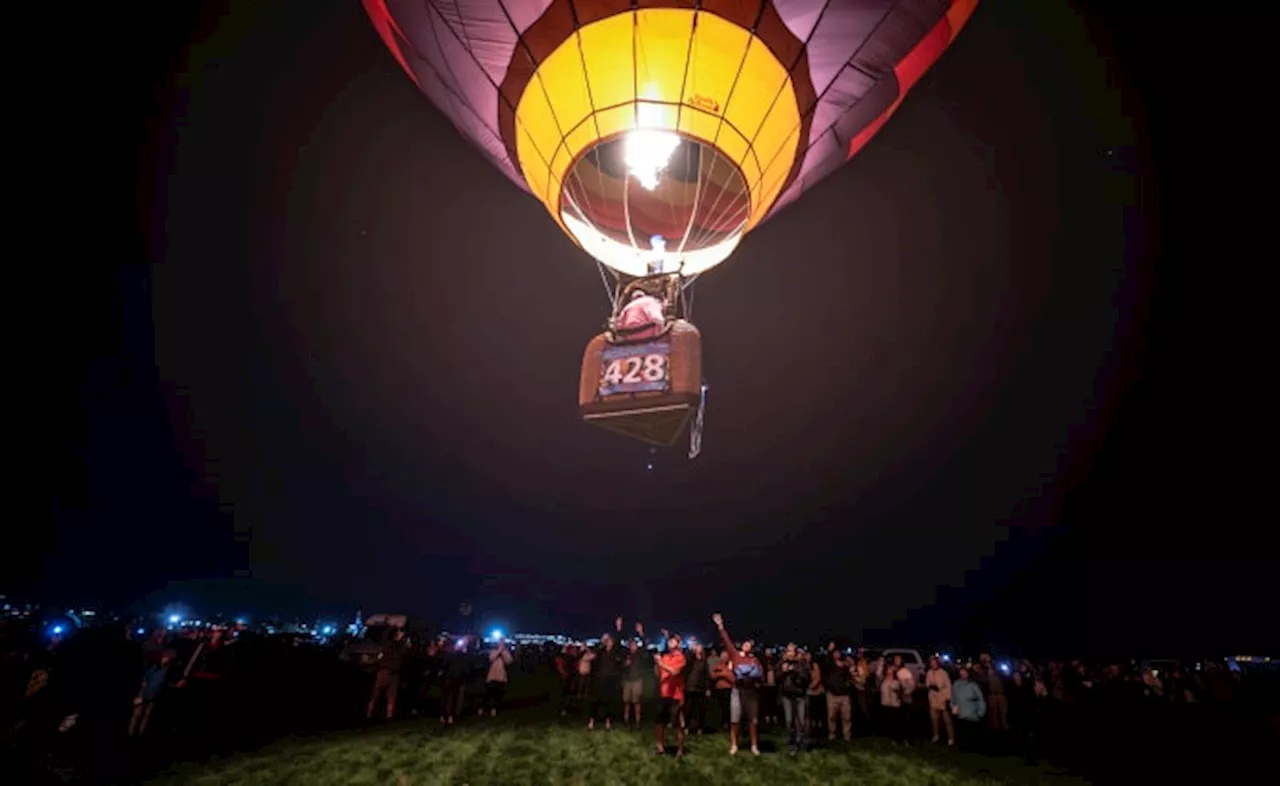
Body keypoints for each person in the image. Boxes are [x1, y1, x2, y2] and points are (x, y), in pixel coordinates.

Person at [711, 613, 762, 756]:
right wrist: (720, 626)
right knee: (735, 719)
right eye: (745, 643)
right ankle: (734, 745)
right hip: (737, 691)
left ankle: (754, 745)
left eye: (749, 645)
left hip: (751, 692)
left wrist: (753, 674)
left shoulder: (754, 660)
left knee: (753, 720)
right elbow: (726, 641)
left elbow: (760, 675)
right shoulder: (735, 656)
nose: (747, 646)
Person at [653, 631, 687, 757]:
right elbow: (659, 674)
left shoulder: (681, 658)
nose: (669, 642)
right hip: (664, 694)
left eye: (672, 641)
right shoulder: (666, 657)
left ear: (678, 644)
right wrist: (657, 664)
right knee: (659, 722)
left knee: (678, 724)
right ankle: (660, 746)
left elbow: (675, 672)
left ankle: (680, 749)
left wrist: (661, 663)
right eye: (669, 641)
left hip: (676, 696)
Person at [589, 622, 626, 730]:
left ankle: (607, 721)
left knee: (609, 701)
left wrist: (619, 628)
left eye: (610, 640)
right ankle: (591, 721)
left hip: (611, 679)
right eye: (607, 641)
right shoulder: (600, 651)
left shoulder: (615, 651)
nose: (609, 642)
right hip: (599, 679)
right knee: (596, 700)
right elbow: (594, 654)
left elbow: (619, 640)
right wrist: (602, 642)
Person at [368, 628, 407, 720]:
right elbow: (384, 637)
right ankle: (369, 713)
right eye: (401, 633)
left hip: (395, 672)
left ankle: (389, 715)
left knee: (392, 694)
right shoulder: (388, 643)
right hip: (384, 671)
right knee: (376, 693)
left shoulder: (401, 646)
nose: (402, 635)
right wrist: (392, 627)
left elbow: (404, 654)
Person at [778, 643, 809, 755]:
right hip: (787, 696)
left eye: (792, 651)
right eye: (788, 651)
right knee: (789, 721)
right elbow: (777, 677)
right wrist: (783, 671)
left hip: (799, 696)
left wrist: (795, 671)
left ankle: (801, 743)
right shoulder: (782, 663)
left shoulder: (801, 663)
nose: (790, 653)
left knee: (801, 721)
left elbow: (806, 678)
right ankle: (792, 744)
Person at [952, 666, 987, 751]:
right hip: (961, 712)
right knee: (962, 731)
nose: (962, 674)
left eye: (964, 672)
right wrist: (953, 707)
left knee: (971, 731)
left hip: (972, 713)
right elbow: (953, 698)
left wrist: (981, 712)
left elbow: (980, 699)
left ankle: (973, 747)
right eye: (961, 672)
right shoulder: (956, 684)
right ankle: (962, 746)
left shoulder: (973, 685)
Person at [622, 623, 647, 730]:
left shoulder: (640, 653)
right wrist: (625, 664)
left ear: (637, 646)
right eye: (631, 645)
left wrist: (641, 632)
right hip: (627, 681)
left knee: (637, 702)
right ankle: (626, 720)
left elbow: (645, 644)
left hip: (637, 680)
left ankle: (637, 721)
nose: (633, 646)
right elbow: (621, 666)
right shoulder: (626, 654)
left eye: (634, 645)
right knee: (626, 702)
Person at [926, 656, 956, 746]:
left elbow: (948, 686)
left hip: (943, 698)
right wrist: (930, 686)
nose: (933, 664)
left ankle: (951, 738)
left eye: (934, 662)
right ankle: (936, 736)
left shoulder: (943, 673)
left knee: (947, 720)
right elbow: (928, 684)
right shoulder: (929, 672)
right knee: (934, 719)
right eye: (931, 663)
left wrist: (948, 698)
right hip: (933, 699)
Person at [825, 651, 854, 741]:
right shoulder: (829, 664)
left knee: (846, 717)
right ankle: (832, 734)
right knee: (831, 716)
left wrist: (847, 684)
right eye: (835, 653)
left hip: (844, 695)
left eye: (838, 652)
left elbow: (851, 675)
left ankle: (847, 736)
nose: (837, 654)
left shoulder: (846, 664)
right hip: (832, 695)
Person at [483, 638, 513, 717]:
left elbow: (509, 661)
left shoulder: (505, 652)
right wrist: (499, 650)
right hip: (492, 676)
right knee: (489, 694)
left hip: (501, 677)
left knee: (499, 694)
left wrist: (503, 651)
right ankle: (485, 708)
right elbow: (491, 658)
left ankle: (495, 709)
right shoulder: (493, 651)